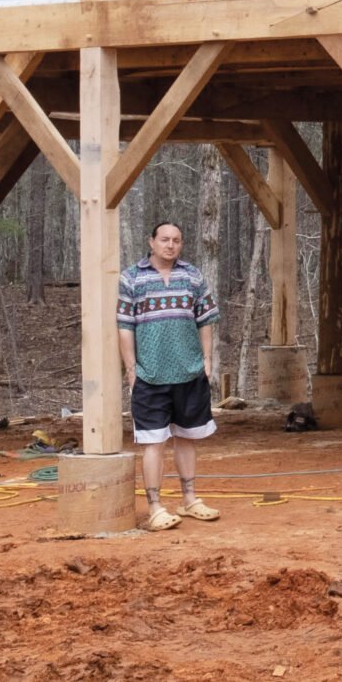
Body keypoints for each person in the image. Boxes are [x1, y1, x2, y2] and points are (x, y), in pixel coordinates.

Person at [118, 221, 222, 533]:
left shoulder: (192, 276)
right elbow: (125, 326)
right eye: (164, 239)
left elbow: (205, 319)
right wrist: (131, 369)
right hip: (150, 375)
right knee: (154, 442)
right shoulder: (132, 278)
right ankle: (155, 508)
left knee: (187, 437)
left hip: (189, 372)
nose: (170, 245)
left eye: (176, 240)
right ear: (151, 242)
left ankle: (189, 500)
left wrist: (206, 359)